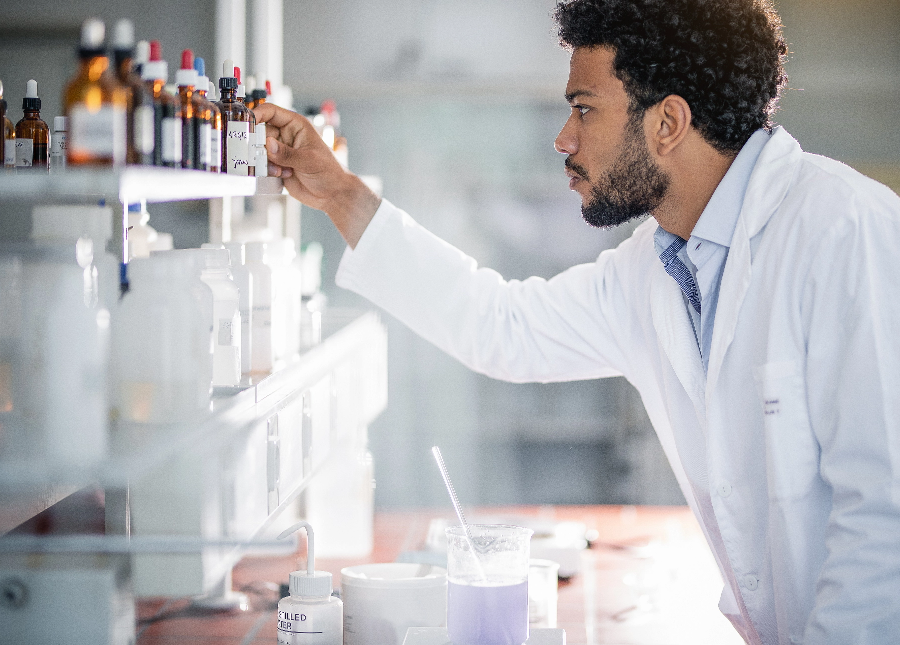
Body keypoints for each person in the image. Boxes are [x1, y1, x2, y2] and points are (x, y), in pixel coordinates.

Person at [254, 0, 900, 642]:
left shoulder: (847, 232)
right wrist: (339, 192)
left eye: (584, 108)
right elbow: (500, 325)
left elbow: (883, 524)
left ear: (668, 122)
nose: (564, 138)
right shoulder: (655, 268)